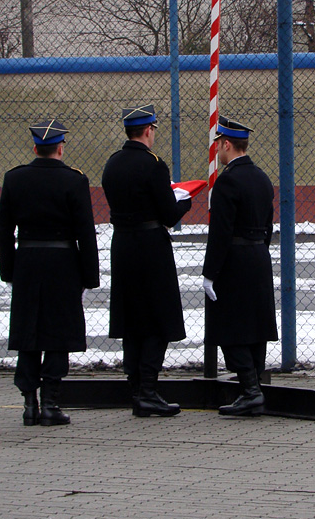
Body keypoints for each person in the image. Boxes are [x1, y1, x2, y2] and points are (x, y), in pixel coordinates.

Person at [0, 119, 100, 426]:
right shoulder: (74, 181)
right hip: (63, 262)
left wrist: (9, 270)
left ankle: (29, 403)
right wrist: (89, 275)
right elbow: (86, 232)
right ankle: (51, 403)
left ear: (35, 148)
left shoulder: (14, 179)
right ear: (59, 147)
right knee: (58, 332)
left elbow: (4, 230)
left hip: (28, 261)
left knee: (29, 330)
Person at [102, 105, 192, 417]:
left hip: (123, 245)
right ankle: (149, 391)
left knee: (131, 318)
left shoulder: (113, 163)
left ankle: (136, 387)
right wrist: (185, 201)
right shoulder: (154, 165)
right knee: (157, 317)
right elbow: (168, 214)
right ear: (148, 130)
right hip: (151, 246)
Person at [202, 116, 278, 416]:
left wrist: (210, 273)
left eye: (219, 144)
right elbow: (269, 223)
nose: (217, 150)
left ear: (227, 144)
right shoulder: (261, 177)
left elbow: (219, 233)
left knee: (229, 323)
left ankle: (250, 390)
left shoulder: (227, 181)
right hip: (259, 256)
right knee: (256, 324)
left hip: (234, 260)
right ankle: (254, 384)